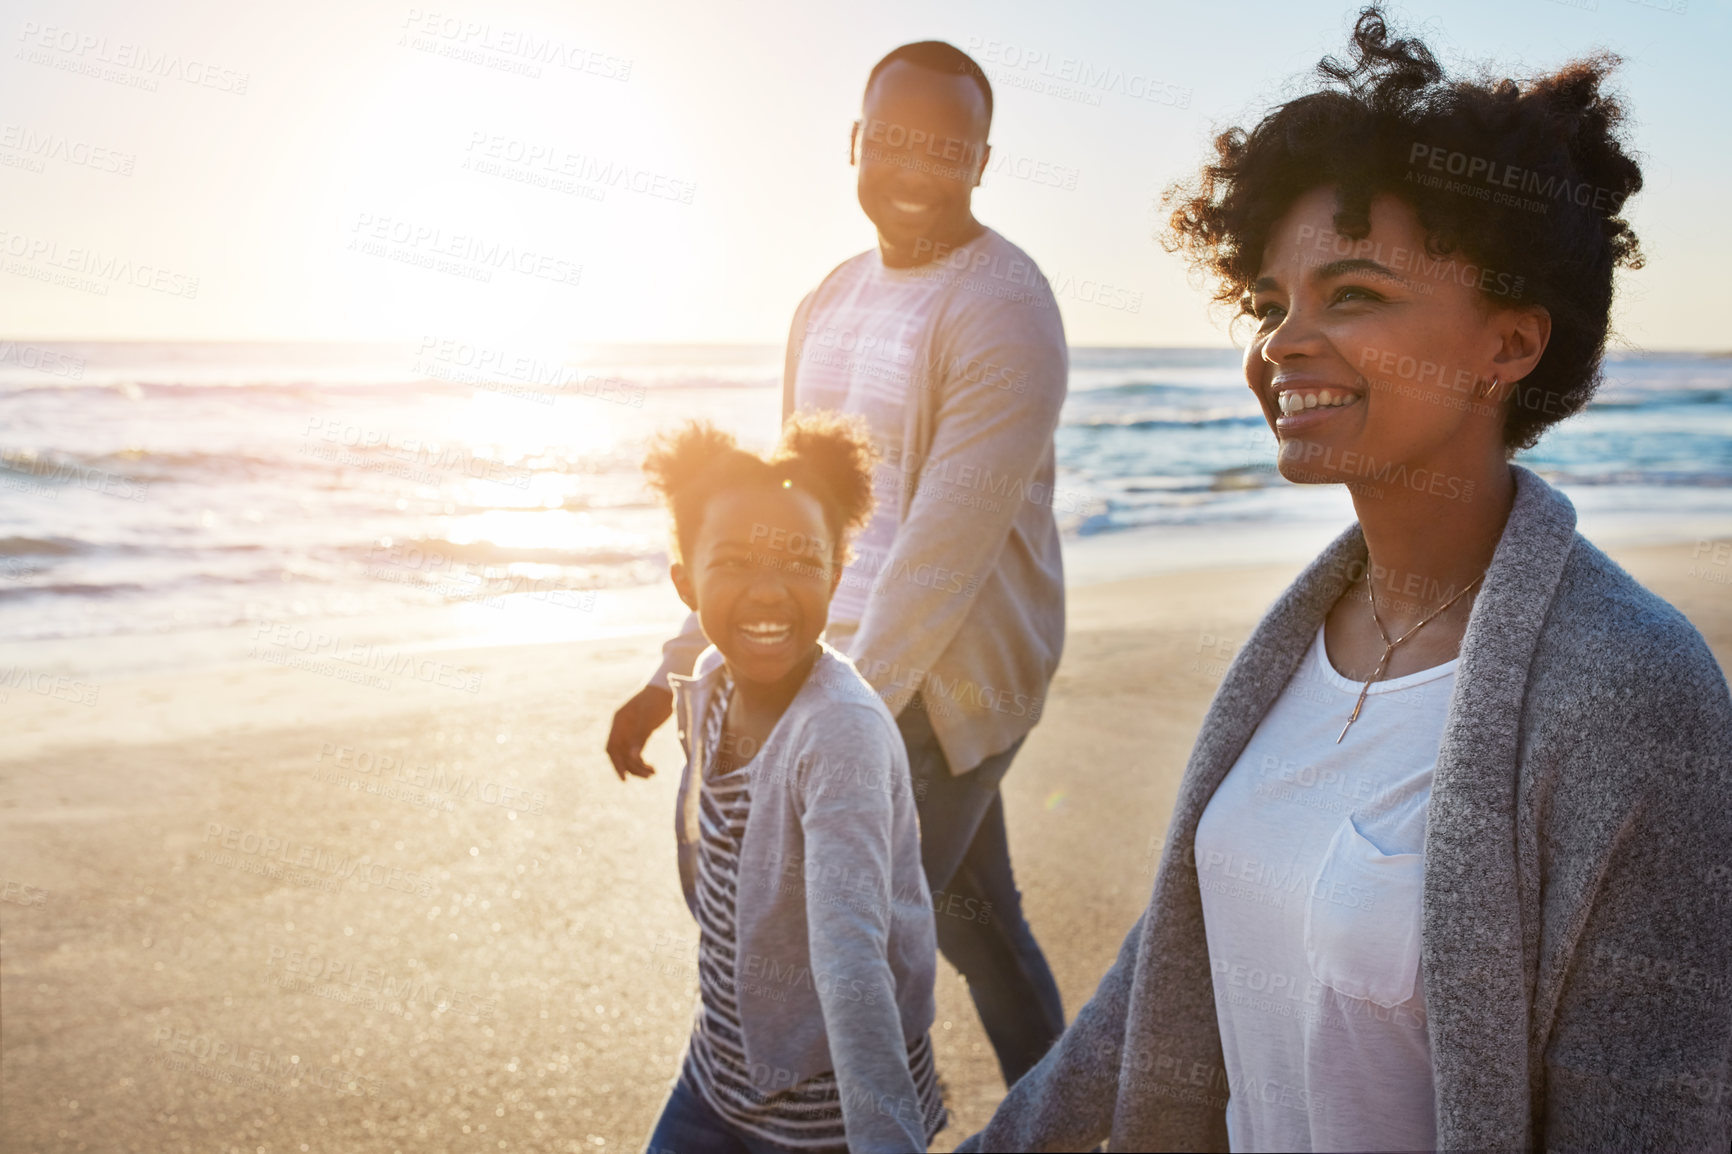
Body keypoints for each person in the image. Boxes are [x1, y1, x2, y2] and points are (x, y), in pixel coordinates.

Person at [958, 9, 1732, 1152]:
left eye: (1354, 294)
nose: (1281, 343)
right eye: (1270, 303)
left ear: (1508, 344)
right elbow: (1161, 985)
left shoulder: (1634, 688)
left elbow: (1650, 1111)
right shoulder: (1299, 643)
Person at [609, 40, 1069, 1087]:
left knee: (823, 957)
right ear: (855, 142)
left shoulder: (1004, 307)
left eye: (945, 147)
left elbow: (938, 561)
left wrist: (815, 714)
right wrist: (673, 663)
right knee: (978, 930)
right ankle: (1072, 1113)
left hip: (937, 682)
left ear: (982, 162)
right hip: (822, 654)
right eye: (893, 139)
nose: (914, 166)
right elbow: (765, 514)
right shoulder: (827, 298)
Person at [638, 414, 945, 1154]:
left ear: (837, 578)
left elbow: (852, 958)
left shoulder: (838, 733)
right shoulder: (709, 685)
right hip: (717, 1070)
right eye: (737, 562)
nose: (770, 592)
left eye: (801, 562)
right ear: (686, 583)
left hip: (828, 1109)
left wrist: (884, 1138)